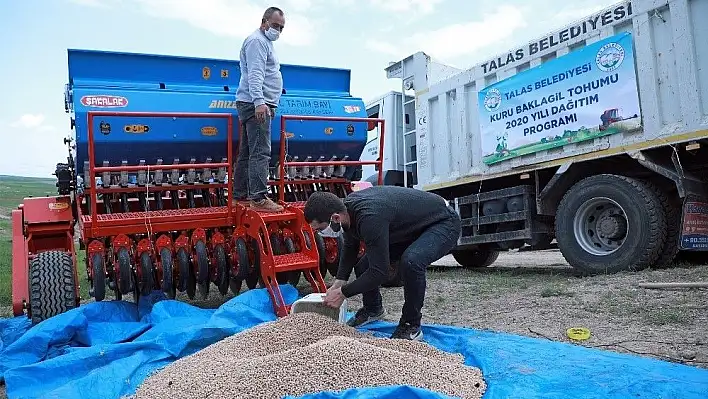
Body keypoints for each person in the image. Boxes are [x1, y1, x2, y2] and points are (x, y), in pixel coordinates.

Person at [303, 186, 462, 341]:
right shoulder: (347, 211)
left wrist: (343, 293)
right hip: (413, 228)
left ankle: (411, 325)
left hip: (443, 223)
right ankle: (373, 309)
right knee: (363, 264)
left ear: (335, 218)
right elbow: (351, 246)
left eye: (320, 229)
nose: (320, 233)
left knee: (412, 261)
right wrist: (339, 281)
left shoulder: (369, 217)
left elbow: (380, 273)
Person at [232, 6, 286, 212]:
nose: (278, 31)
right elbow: (255, 75)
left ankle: (240, 196)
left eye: (281, 27)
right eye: (274, 25)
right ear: (263, 22)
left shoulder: (264, 42)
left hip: (253, 102)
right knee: (261, 152)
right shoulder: (258, 42)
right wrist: (259, 102)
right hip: (256, 104)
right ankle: (259, 198)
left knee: (247, 152)